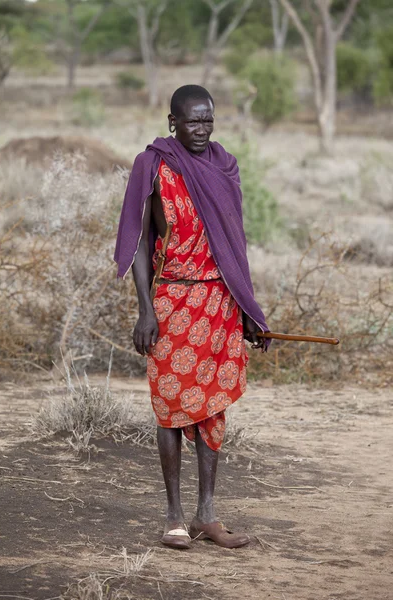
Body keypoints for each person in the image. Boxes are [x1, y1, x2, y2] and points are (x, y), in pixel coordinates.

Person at [114, 84, 271, 550]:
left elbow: (233, 247)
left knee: (212, 409)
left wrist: (248, 310)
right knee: (170, 410)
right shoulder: (153, 165)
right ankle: (174, 517)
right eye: (192, 121)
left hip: (220, 304)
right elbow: (141, 241)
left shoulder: (224, 166)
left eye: (208, 121)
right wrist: (145, 308)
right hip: (172, 303)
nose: (201, 130)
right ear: (172, 122)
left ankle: (207, 514)